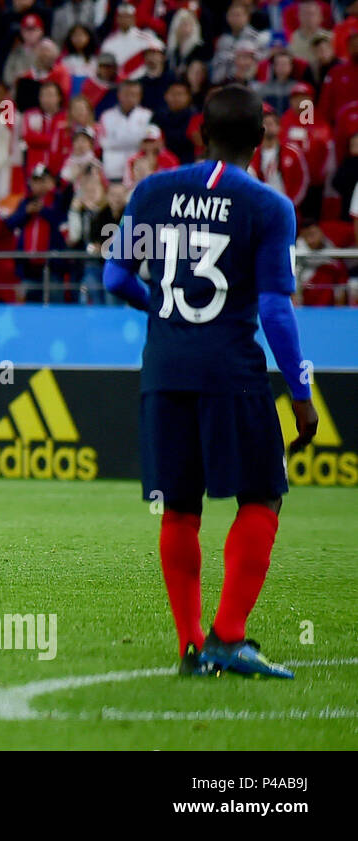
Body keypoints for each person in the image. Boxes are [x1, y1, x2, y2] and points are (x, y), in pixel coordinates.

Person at [103, 84, 319, 678]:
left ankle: (191, 645)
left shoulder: (152, 191)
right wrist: (299, 393)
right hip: (231, 372)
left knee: (179, 508)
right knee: (261, 496)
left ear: (200, 133)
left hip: (165, 367)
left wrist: (163, 312)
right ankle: (229, 636)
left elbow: (114, 277)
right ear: (262, 139)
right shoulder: (270, 207)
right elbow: (276, 311)